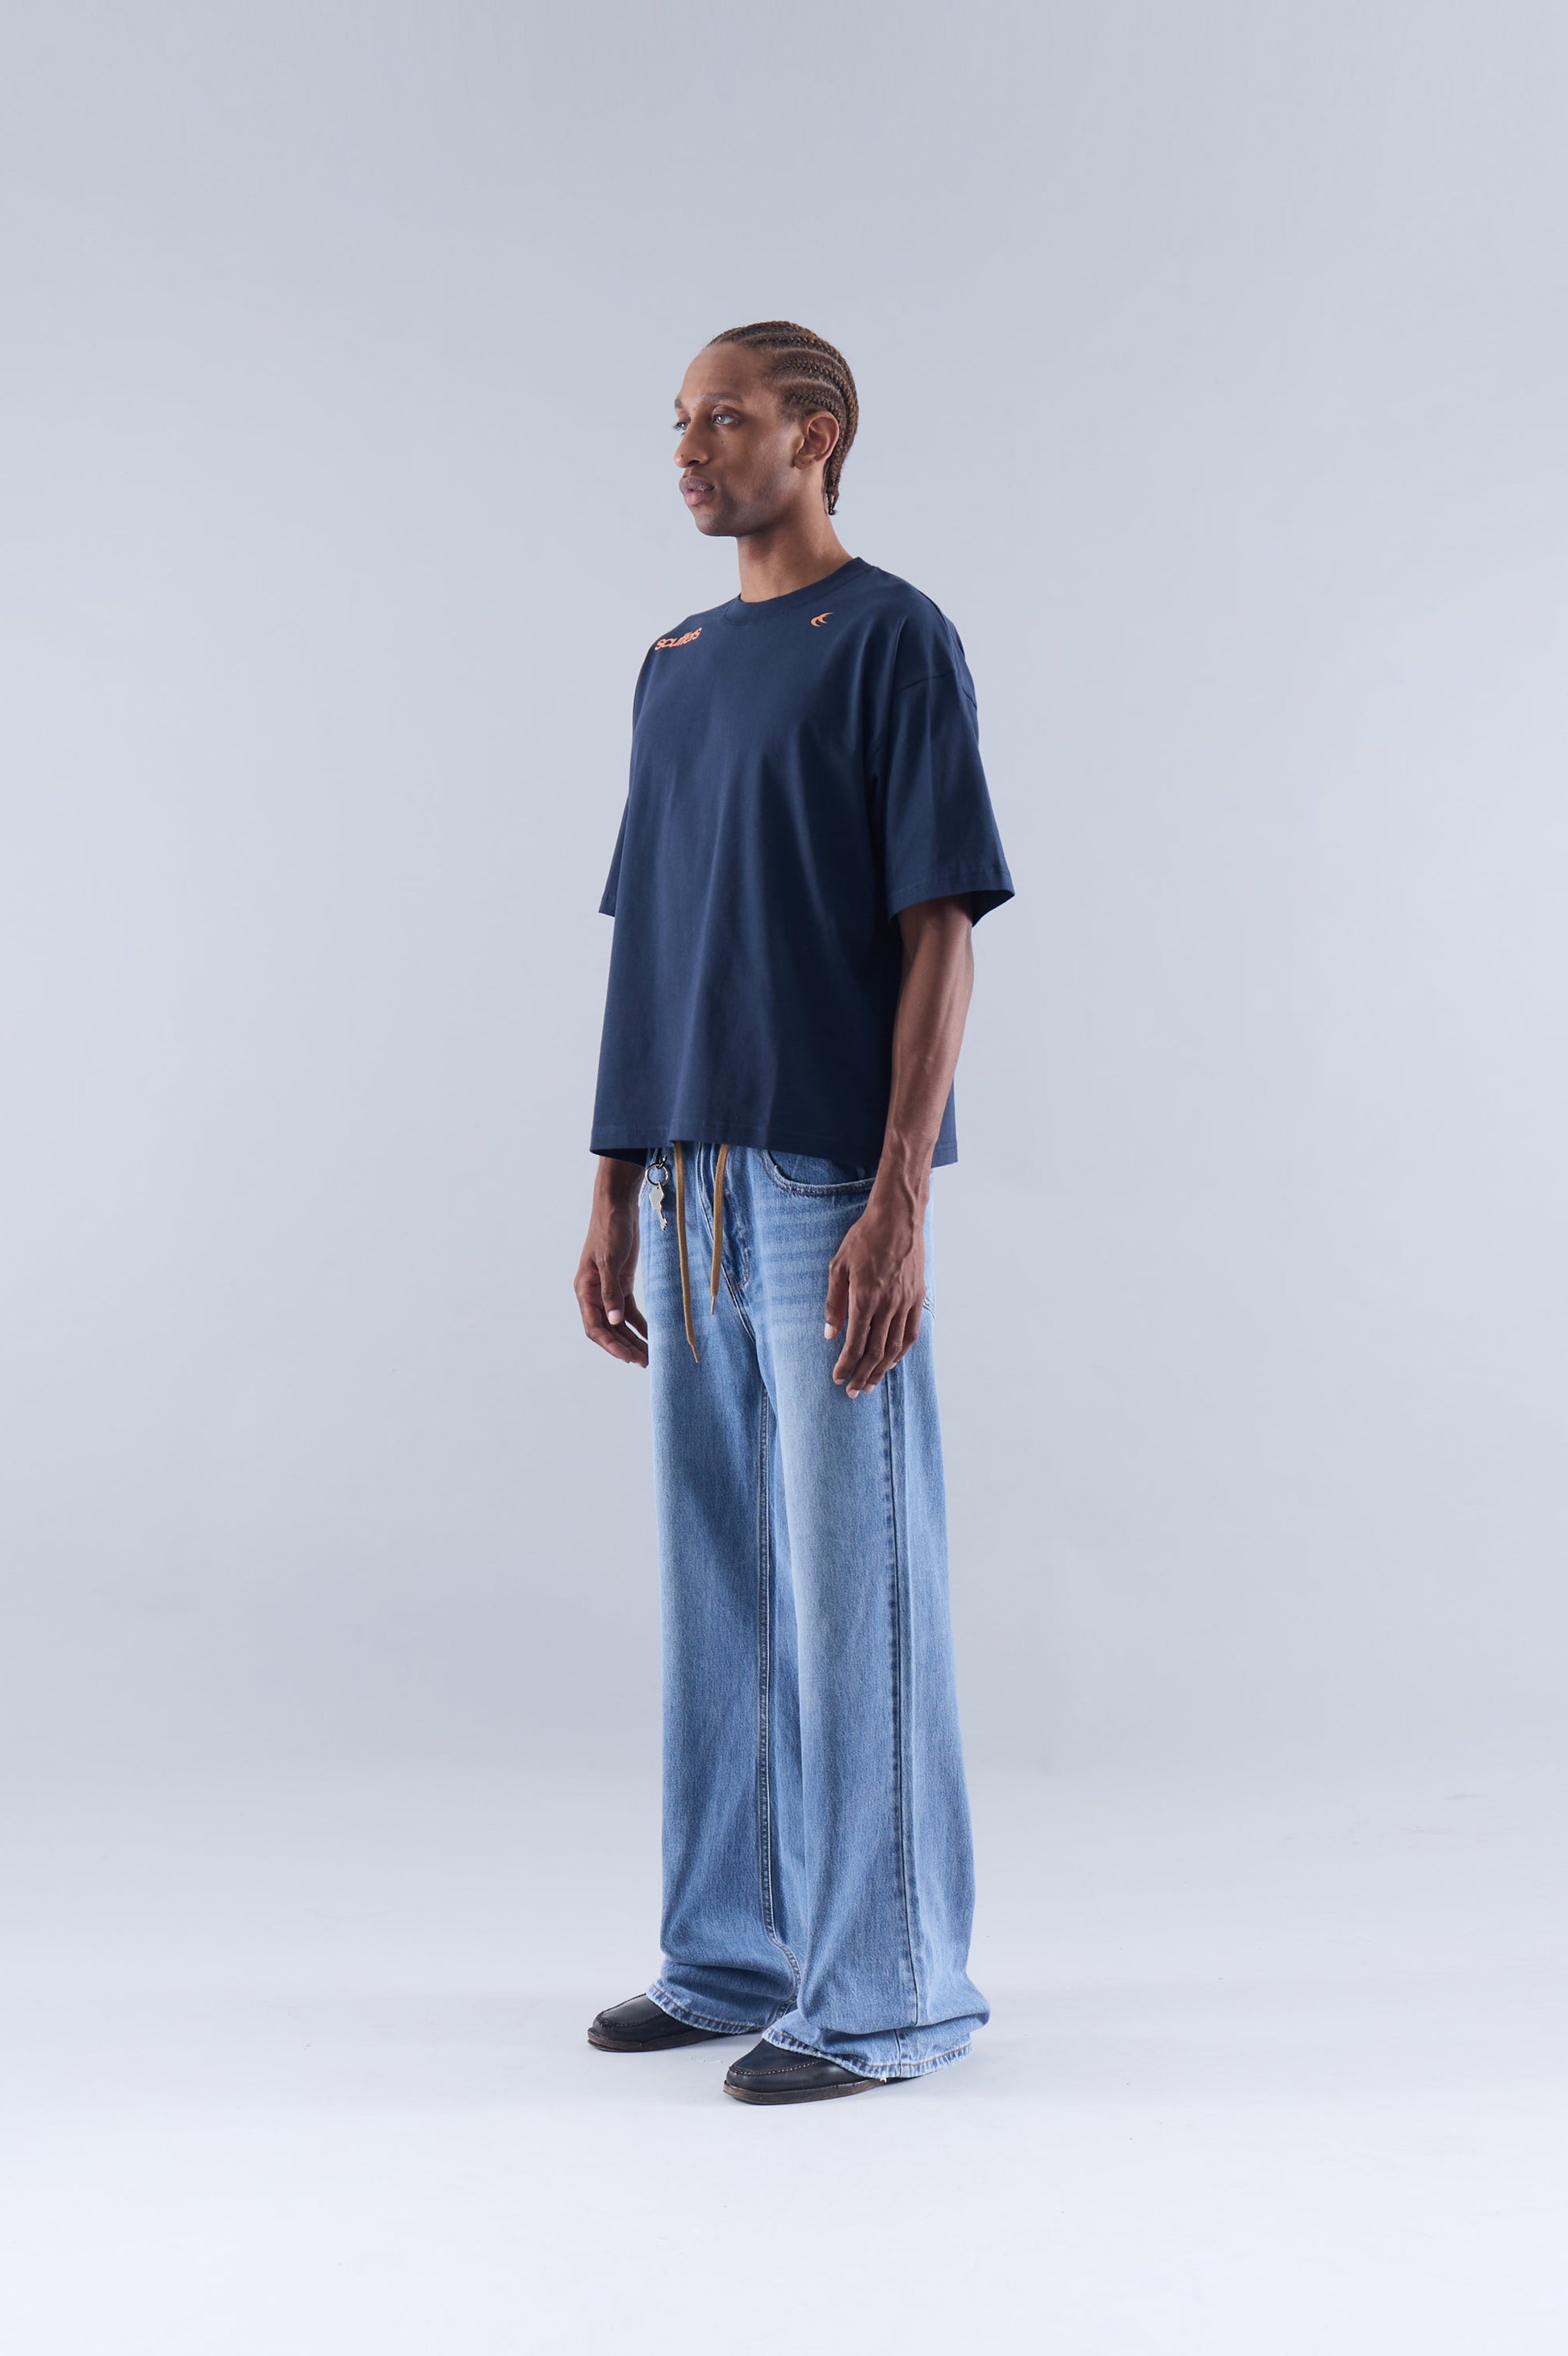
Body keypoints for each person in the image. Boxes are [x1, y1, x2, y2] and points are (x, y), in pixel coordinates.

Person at [574, 320, 1014, 2105]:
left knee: (855, 1580)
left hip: (823, 1173)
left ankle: (890, 1987)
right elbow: (650, 941)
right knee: (718, 1580)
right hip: (685, 1171)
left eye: (725, 419)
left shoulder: (894, 636)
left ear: (814, 435)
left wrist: (898, 1193)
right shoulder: (675, 663)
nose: (689, 450)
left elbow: (939, 928)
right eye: (679, 423)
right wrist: (612, 1181)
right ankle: (730, 1951)